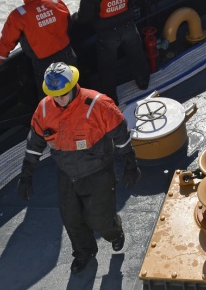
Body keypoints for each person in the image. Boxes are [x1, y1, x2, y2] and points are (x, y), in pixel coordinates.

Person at [17, 63, 141, 274]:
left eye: (63, 94)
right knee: (71, 219)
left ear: (74, 86)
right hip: (66, 172)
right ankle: (84, 253)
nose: (59, 100)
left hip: (97, 170)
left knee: (99, 219)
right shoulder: (44, 109)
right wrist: (26, 175)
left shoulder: (99, 105)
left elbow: (121, 136)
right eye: (54, 95)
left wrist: (130, 165)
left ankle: (114, 232)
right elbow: (34, 144)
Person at [74, 0, 151, 99]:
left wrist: (75, 18)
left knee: (107, 67)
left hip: (107, 33)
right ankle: (143, 83)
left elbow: (85, 17)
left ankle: (111, 99)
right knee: (136, 55)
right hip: (129, 26)